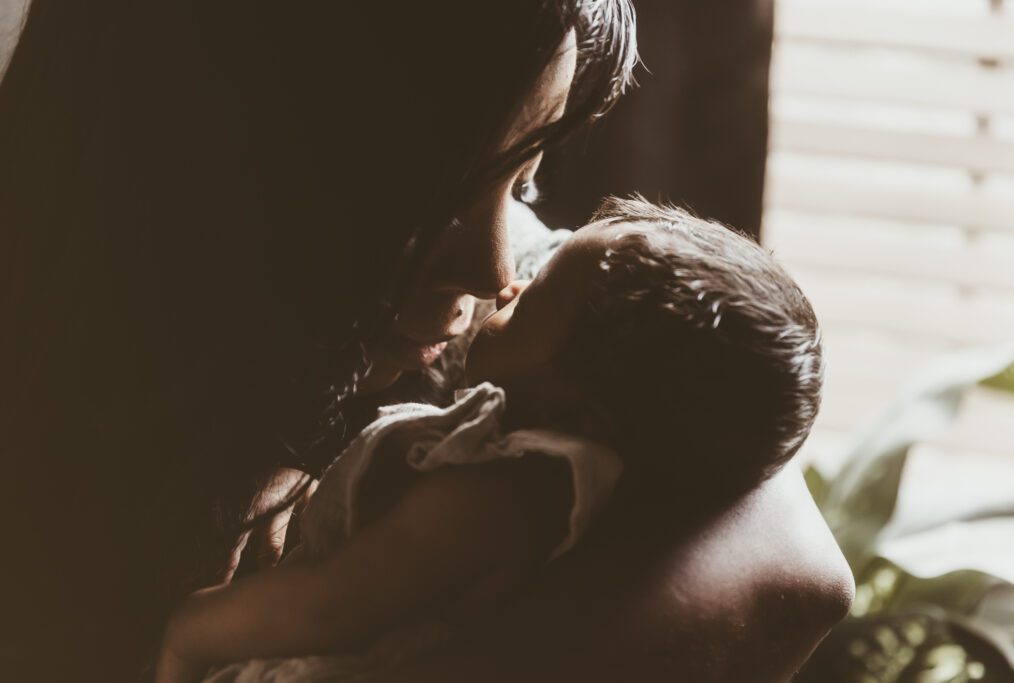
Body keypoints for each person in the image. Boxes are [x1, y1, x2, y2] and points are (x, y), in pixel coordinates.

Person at [0, 2, 852, 682]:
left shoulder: (526, 326)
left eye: (526, 179)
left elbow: (800, 565)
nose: (498, 270)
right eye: (442, 195)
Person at [155, 196, 825, 682]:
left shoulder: (498, 495)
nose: (508, 278)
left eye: (533, 300)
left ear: (584, 410)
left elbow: (332, 607)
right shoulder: (538, 448)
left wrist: (191, 630)